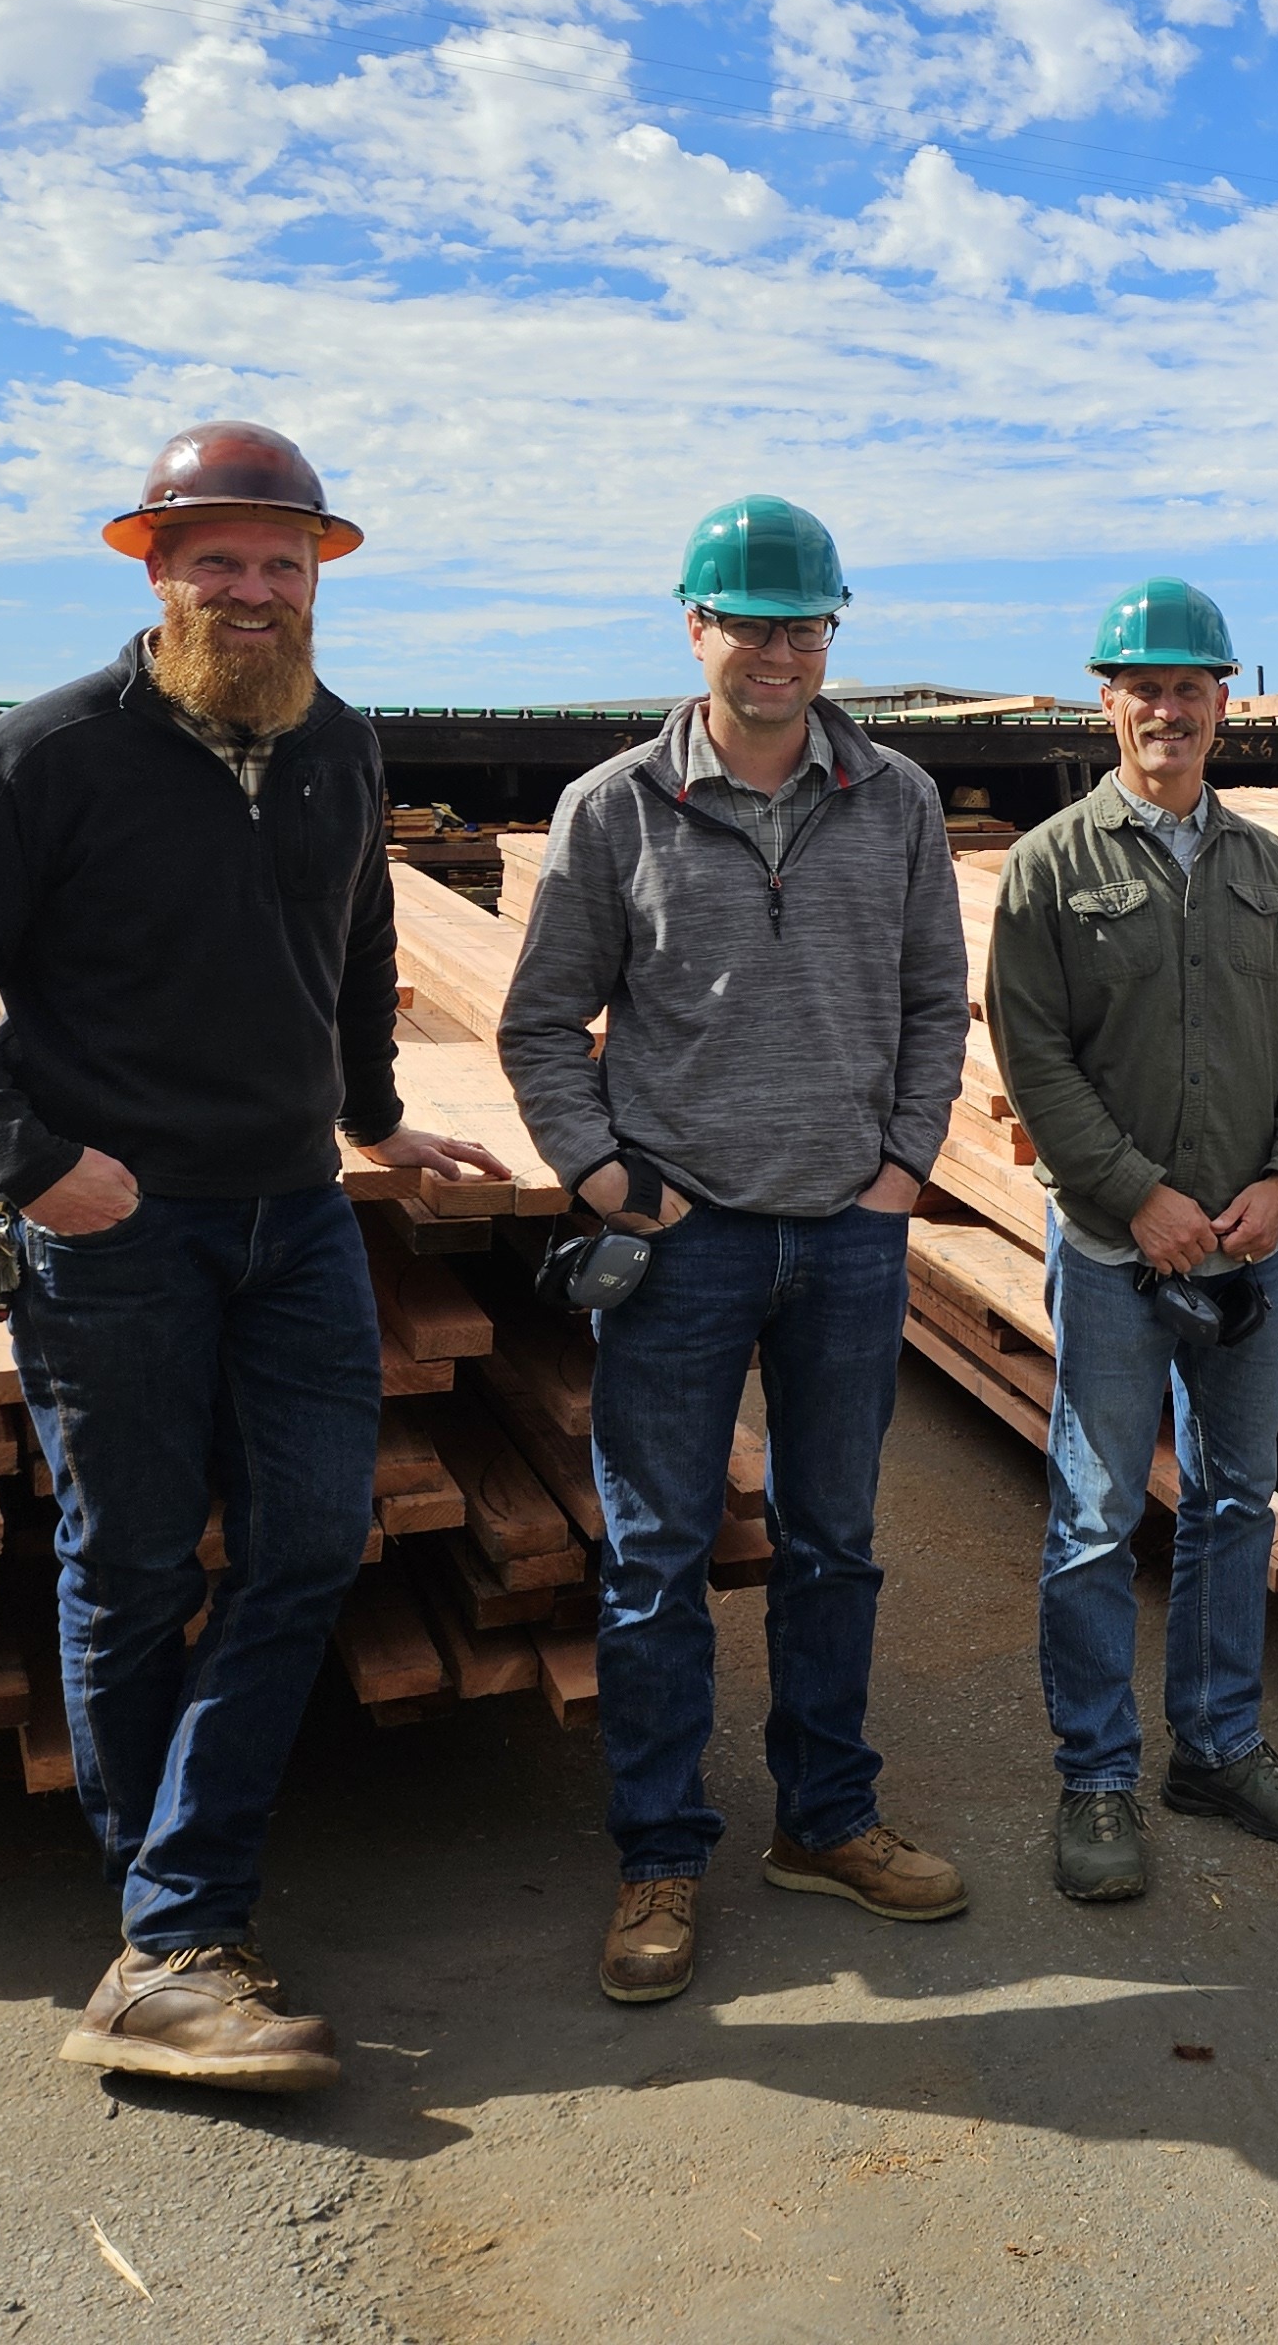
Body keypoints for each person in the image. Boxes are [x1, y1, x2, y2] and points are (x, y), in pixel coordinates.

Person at [0, 422, 510, 2092]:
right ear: (157, 573)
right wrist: (38, 1163)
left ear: (316, 582)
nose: (252, 589)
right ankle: (177, 1938)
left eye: (280, 563)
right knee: (139, 1564)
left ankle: (170, 1925)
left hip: (294, 1213)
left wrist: (371, 1115)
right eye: (216, 559)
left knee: (304, 1540)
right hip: (115, 1228)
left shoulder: (339, 749)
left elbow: (354, 947)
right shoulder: (44, 757)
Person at [502, 495, 975, 2007]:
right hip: (685, 1242)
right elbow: (537, 1023)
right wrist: (603, 1176)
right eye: (750, 622)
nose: (778, 651)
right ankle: (662, 1856)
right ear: (693, 625)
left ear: (833, 633)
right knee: (653, 1563)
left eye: (804, 624)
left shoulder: (895, 798)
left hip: (846, 1235)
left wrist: (902, 1171)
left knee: (835, 1545)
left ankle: (826, 1822)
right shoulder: (612, 808)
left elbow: (928, 1004)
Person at [988, 577, 1278, 1903]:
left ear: (1222, 705)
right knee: (1091, 1519)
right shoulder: (1050, 864)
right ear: (1108, 700)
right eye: (1144, 687)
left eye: (1191, 688)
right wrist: (1136, 1193)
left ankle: (1218, 1748)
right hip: (1114, 1251)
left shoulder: (1267, 867)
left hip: (1246, 1248)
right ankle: (1095, 1779)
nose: (1168, 710)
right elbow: (1033, 1057)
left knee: (1237, 1504)